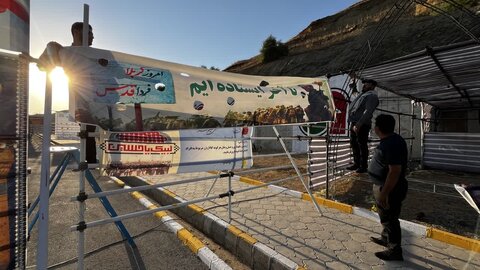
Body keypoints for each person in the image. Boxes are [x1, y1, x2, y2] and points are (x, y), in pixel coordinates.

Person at [39, 22, 97, 163]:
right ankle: (90, 164)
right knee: (88, 135)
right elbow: (41, 65)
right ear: (77, 32)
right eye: (89, 33)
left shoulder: (96, 56)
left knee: (104, 133)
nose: (93, 37)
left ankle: (98, 164)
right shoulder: (66, 53)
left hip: (101, 102)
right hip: (83, 106)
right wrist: (51, 47)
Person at [368, 114, 408, 261]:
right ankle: (386, 238)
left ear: (377, 128)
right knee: (385, 216)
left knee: (390, 218)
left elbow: (395, 170)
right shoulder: (392, 139)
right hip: (384, 186)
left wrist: (384, 193)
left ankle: (394, 249)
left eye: (375, 124)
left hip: (390, 188)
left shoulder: (391, 144)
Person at [347, 78, 379, 173]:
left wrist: (359, 124)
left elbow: (368, 111)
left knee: (361, 144)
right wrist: (353, 83)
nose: (364, 85)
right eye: (364, 84)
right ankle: (356, 163)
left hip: (362, 123)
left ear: (372, 86)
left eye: (367, 84)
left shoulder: (372, 96)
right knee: (354, 143)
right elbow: (355, 95)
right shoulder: (363, 95)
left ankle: (363, 166)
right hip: (355, 122)